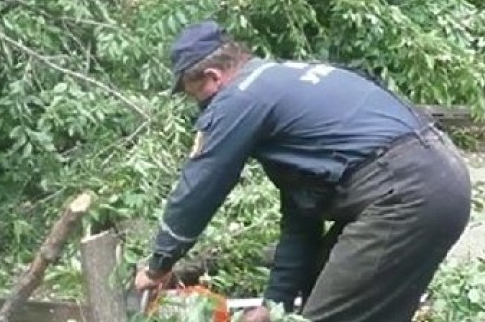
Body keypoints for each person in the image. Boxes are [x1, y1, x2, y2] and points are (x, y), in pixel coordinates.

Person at [134, 20, 471, 322]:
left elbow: (201, 185)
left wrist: (159, 264)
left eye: (198, 97)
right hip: (438, 178)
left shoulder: (240, 97)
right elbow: (301, 219)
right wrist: (273, 303)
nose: (203, 108)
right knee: (317, 293)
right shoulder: (288, 88)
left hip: (404, 192)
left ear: (213, 77)